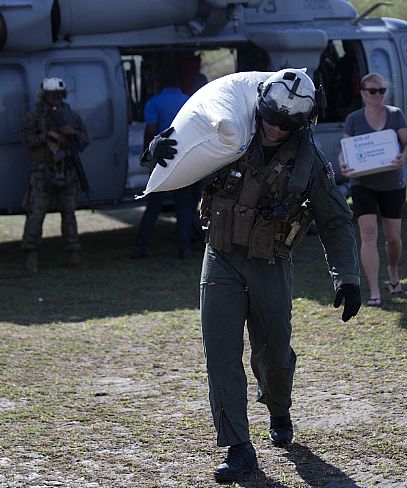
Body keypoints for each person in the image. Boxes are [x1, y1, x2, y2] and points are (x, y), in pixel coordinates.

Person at [142, 68, 362, 482]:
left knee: (273, 354)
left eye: (285, 123)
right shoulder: (229, 137)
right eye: (269, 117)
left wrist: (346, 276)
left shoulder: (309, 162)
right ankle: (239, 448)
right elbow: (184, 155)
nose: (273, 128)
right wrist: (156, 149)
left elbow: (336, 221)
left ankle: (279, 408)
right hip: (220, 258)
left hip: (270, 265)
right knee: (221, 355)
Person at [339, 73, 407, 307]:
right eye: (373, 91)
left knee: (393, 239)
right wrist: (343, 163)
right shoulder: (354, 119)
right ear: (363, 94)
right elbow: (346, 148)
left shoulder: (395, 115)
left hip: (391, 183)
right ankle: (374, 291)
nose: (378, 95)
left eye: (382, 90)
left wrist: (403, 156)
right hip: (363, 184)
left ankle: (393, 269)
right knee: (369, 234)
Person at [21, 77, 90, 273]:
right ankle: (30, 255)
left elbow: (85, 141)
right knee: (36, 214)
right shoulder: (34, 116)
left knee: (69, 214)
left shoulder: (71, 116)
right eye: (51, 95)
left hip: (66, 170)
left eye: (58, 95)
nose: (55, 99)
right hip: (43, 172)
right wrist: (48, 136)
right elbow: (26, 140)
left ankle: (74, 253)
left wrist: (72, 134)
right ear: (44, 95)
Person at [131, 71, 196, 259]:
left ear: (161, 84)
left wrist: (147, 157)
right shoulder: (189, 100)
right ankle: (184, 248)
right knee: (184, 205)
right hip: (184, 158)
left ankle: (140, 246)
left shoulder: (153, 102)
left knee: (154, 205)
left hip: (162, 159)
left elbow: (151, 131)